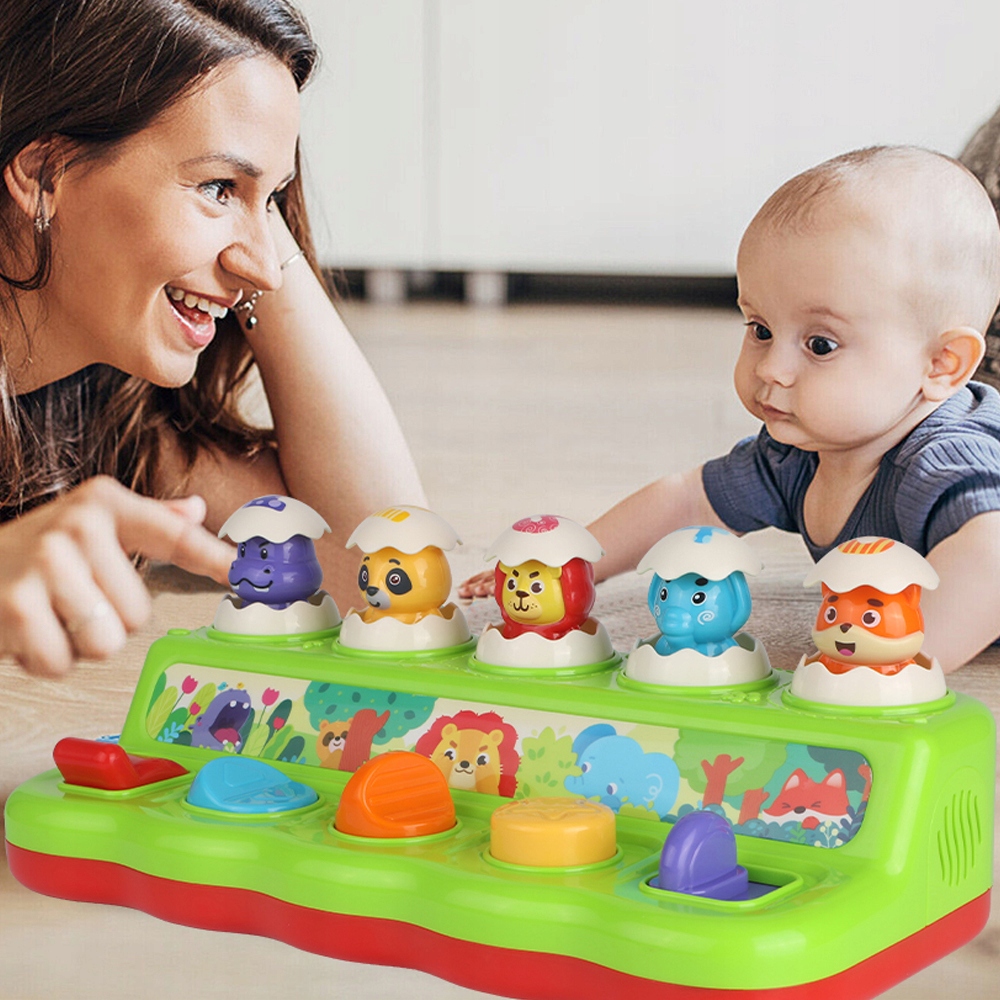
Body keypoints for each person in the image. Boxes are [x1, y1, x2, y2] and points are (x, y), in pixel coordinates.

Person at [0, 0, 425, 676]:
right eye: (217, 187)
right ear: (43, 172)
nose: (264, 271)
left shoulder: (107, 418)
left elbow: (382, 578)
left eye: (274, 201)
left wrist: (250, 204)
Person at [461, 146, 1000, 672]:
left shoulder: (947, 460)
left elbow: (991, 560)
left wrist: (900, 668)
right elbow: (689, 502)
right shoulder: (796, 453)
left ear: (942, 365)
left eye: (820, 345)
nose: (772, 369)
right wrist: (578, 563)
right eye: (761, 330)